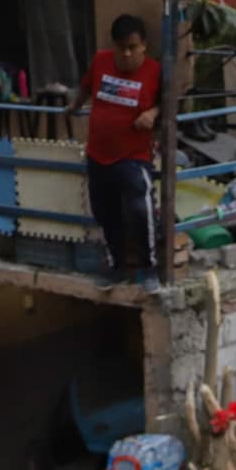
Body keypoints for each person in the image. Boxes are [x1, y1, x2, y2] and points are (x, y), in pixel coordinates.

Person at [69, 14, 162, 281]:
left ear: (144, 45)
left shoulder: (155, 71)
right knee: (104, 211)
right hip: (98, 154)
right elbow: (86, 87)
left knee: (139, 209)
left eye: (133, 47)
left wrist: (153, 113)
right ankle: (115, 266)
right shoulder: (101, 61)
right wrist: (74, 105)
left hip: (133, 156)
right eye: (121, 47)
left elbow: (170, 102)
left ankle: (149, 267)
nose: (127, 53)